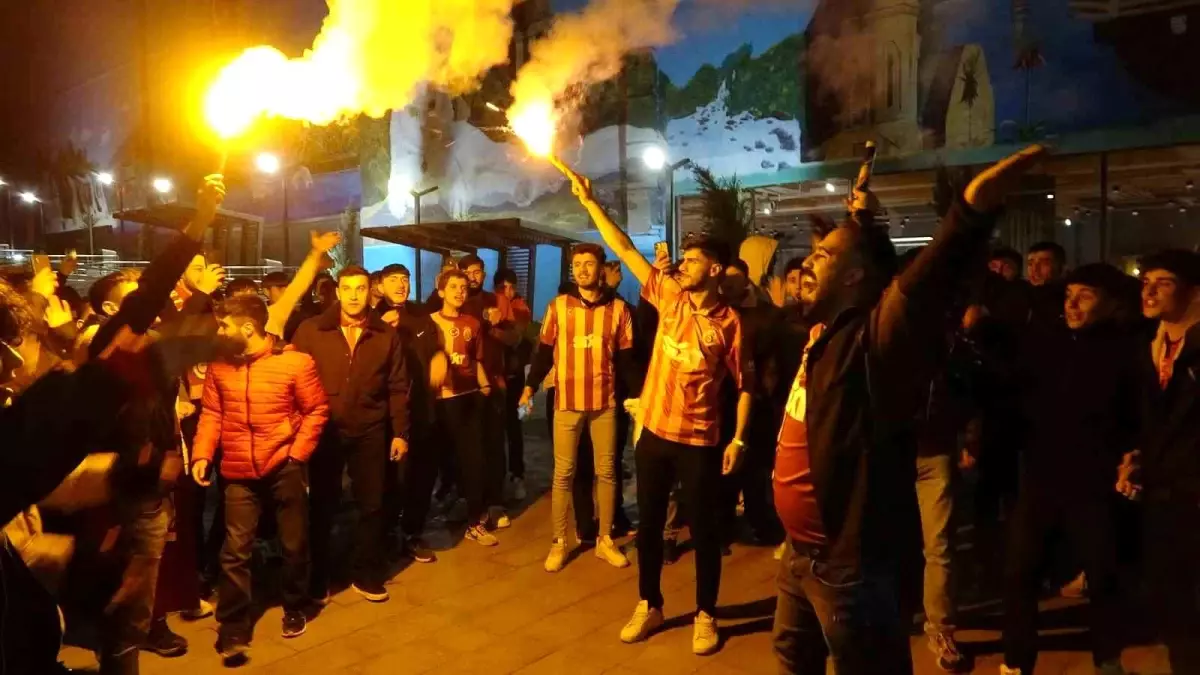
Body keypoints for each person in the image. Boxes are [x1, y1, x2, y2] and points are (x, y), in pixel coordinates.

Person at [770, 145, 1045, 675]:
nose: (807, 263)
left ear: (852, 279)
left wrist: (970, 211)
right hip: (798, 554)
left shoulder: (872, 339)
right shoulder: (823, 329)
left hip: (845, 565)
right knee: (790, 657)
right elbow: (862, 258)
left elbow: (923, 284)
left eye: (822, 258)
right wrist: (858, 219)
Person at [559, 165, 752, 656]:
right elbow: (623, 248)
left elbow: (746, 386)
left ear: (713, 269)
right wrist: (589, 202)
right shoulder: (669, 296)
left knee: (706, 532)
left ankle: (706, 615)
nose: (681, 265)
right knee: (647, 526)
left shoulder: (730, 324)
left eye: (690, 260)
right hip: (655, 435)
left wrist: (739, 439)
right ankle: (650, 603)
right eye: (682, 259)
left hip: (702, 442)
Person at [999, 263, 1138, 675]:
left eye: (1085, 295)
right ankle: (1016, 661)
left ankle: (1107, 660)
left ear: (1111, 302)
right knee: (1019, 572)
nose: (1073, 303)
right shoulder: (1046, 342)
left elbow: (1136, 414)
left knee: (1103, 575)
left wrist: (1132, 456)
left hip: (1096, 481)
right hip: (1041, 476)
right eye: (1069, 294)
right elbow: (1016, 396)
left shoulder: (1127, 350)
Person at [189, 295, 329, 663]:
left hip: (284, 464)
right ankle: (233, 625)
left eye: (224, 325)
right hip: (236, 469)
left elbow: (316, 410)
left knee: (294, 542)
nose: (219, 332)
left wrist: (297, 454)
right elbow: (212, 415)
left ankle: (295, 605)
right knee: (235, 550)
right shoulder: (221, 366)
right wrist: (203, 454)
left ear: (248, 328)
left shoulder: (295, 362)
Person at [292, 265, 409, 604]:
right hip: (324, 430)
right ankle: (318, 577)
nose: (355, 295)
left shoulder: (385, 335)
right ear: (338, 292)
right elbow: (293, 380)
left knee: (372, 504)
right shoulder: (311, 330)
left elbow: (398, 386)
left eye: (360, 288)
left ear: (368, 291)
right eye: (348, 289)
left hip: (370, 429)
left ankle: (366, 572)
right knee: (322, 505)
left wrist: (400, 431)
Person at [520, 243, 636, 572]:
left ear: (601, 269)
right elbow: (543, 352)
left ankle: (605, 540)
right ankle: (559, 541)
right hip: (566, 403)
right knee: (563, 473)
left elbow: (628, 360)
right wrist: (529, 386)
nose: (582, 269)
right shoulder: (558, 307)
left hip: (605, 403)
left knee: (608, 472)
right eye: (577, 264)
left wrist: (637, 396)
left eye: (589, 263)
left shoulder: (619, 310)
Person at [1118, 249, 1200, 673]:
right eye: (1145, 280)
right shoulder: (1148, 347)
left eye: (1162, 282)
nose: (1147, 290)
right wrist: (1134, 458)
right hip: (1163, 501)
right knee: (1175, 609)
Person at [376, 263, 440, 563]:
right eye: (393, 280)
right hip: (386, 413)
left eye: (405, 279)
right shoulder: (372, 316)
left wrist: (440, 357)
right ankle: (386, 533)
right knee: (390, 478)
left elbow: (436, 346)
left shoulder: (420, 315)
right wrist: (379, 333)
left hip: (422, 408)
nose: (401, 285)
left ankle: (413, 532)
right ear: (381, 285)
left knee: (422, 474)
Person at [430, 268, 499, 546]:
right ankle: (418, 524)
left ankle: (475, 522)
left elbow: (477, 360)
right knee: (439, 464)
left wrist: (485, 387)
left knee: (474, 461)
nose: (459, 291)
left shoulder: (473, 323)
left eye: (463, 287)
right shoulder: (428, 323)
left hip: (469, 397)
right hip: (439, 402)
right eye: (453, 286)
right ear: (441, 292)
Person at [458, 254, 520, 528]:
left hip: (495, 383)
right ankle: (471, 501)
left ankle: (495, 502)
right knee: (468, 447)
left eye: (478, 271)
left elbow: (515, 338)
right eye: (468, 272)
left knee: (495, 443)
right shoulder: (454, 300)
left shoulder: (498, 301)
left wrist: (493, 327)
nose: (474, 277)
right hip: (462, 386)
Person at [494, 268, 533, 502]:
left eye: (511, 286)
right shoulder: (491, 305)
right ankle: (499, 476)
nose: (507, 291)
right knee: (496, 430)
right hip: (496, 377)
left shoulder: (520, 308)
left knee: (514, 426)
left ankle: (517, 474)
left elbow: (517, 336)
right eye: (502, 287)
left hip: (515, 377)